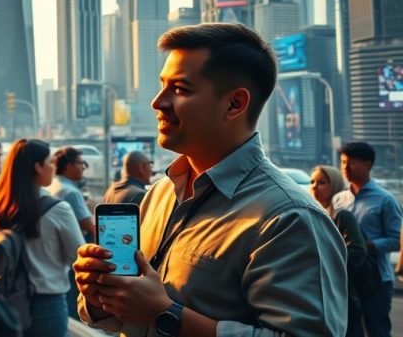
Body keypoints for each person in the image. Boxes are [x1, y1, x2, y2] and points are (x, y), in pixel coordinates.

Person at [74, 23, 347, 337]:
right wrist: (99, 297)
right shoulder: (160, 193)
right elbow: (131, 317)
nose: (158, 102)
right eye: (163, 85)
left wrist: (165, 314)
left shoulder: (289, 218)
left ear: (234, 104)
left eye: (180, 89)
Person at [0, 139, 83, 337]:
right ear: (37, 167)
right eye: (50, 162)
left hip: (1, 303)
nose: (53, 168)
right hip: (47, 305)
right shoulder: (58, 210)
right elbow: (79, 259)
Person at [340, 141, 403, 336]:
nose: (345, 168)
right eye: (343, 162)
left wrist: (367, 246)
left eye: (351, 163)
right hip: (347, 279)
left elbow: (396, 240)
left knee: (377, 330)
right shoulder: (339, 199)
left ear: (368, 164)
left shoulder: (385, 200)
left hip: (376, 278)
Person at [310, 165, 368, 337]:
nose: (314, 186)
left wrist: (323, 258)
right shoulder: (310, 214)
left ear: (334, 185)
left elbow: (358, 253)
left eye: (322, 182)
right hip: (316, 295)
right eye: (312, 181)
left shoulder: (342, 216)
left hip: (342, 295)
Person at [48, 147, 95, 240]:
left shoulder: (51, 185)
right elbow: (91, 228)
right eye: (81, 163)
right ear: (69, 166)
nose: (83, 168)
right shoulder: (72, 193)